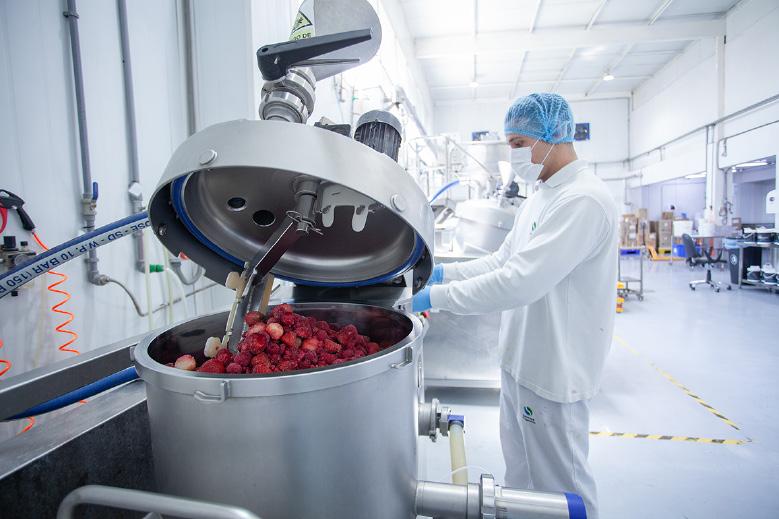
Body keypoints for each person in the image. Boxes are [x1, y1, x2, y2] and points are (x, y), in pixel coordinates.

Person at [414, 93, 618, 519]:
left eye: (519, 143)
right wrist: (441, 274)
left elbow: (518, 282)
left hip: (554, 371)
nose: (514, 155)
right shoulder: (542, 194)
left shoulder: (582, 200)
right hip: (520, 363)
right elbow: (501, 262)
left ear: (554, 135)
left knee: (563, 490)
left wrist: (435, 298)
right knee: (522, 484)